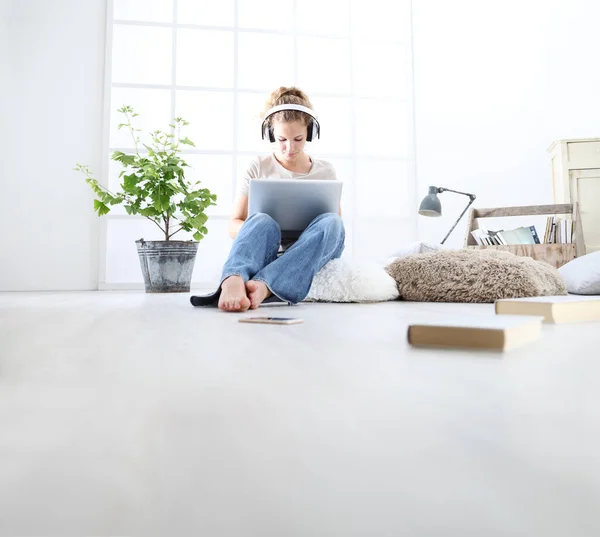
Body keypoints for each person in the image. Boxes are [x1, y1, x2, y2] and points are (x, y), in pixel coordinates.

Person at [199, 86, 345, 312]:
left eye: (298, 138)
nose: (289, 148)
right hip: (267, 246)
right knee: (261, 221)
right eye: (281, 139)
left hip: (309, 249)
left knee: (334, 222)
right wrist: (262, 231)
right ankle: (232, 279)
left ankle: (265, 284)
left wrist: (303, 241)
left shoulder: (326, 171)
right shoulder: (258, 166)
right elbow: (233, 224)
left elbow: (334, 230)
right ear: (270, 134)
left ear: (310, 132)